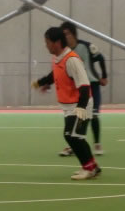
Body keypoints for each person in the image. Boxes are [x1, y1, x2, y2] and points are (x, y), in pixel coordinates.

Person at [32, 27, 101, 180]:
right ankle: (92, 166)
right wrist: (41, 82)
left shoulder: (72, 60)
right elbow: (55, 74)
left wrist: (81, 108)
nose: (46, 45)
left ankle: (89, 169)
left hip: (81, 104)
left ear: (56, 42)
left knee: (72, 136)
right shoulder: (57, 58)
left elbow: (84, 85)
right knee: (75, 137)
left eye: (47, 42)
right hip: (69, 105)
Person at [59, 21, 108, 156]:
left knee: (94, 115)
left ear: (73, 34)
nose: (65, 37)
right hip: (76, 87)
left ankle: (97, 144)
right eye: (63, 35)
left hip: (92, 84)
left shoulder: (87, 46)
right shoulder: (63, 52)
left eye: (67, 34)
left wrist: (103, 76)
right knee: (75, 115)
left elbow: (101, 58)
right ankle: (74, 145)